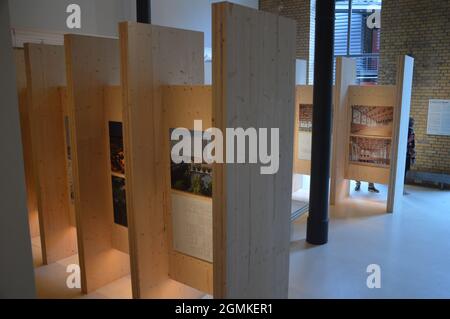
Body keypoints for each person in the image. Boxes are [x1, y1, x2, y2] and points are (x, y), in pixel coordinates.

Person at [404, 117, 416, 195]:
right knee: (403, 172)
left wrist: (413, 156)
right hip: (404, 155)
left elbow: (412, 145)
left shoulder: (411, 131)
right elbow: (404, 143)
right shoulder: (405, 130)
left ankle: (401, 188)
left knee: (405, 172)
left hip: (407, 154)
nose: (413, 123)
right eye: (411, 122)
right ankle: (400, 189)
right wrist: (410, 139)